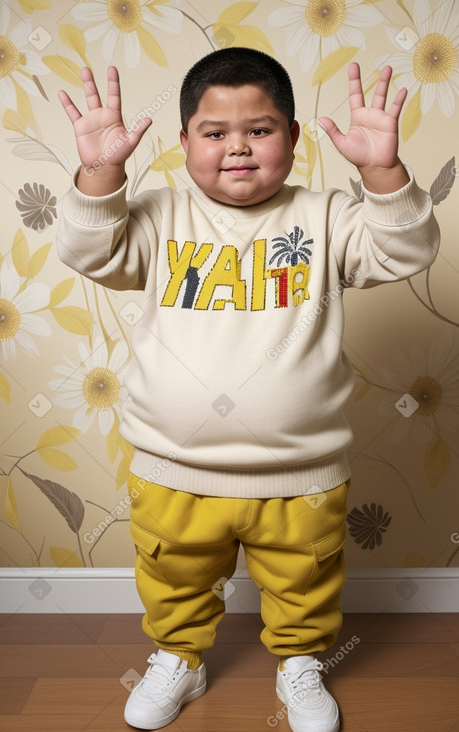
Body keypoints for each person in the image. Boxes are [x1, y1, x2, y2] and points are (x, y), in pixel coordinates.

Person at [56, 48, 440, 732]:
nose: (237, 147)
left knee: (304, 585)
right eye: (215, 132)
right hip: (172, 468)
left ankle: (300, 664)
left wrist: (381, 172)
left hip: (302, 473)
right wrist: (100, 173)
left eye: (260, 130)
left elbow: (404, 249)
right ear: (182, 145)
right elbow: (90, 252)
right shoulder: (156, 216)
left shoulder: (325, 218)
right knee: (172, 580)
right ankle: (178, 657)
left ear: (292, 139)